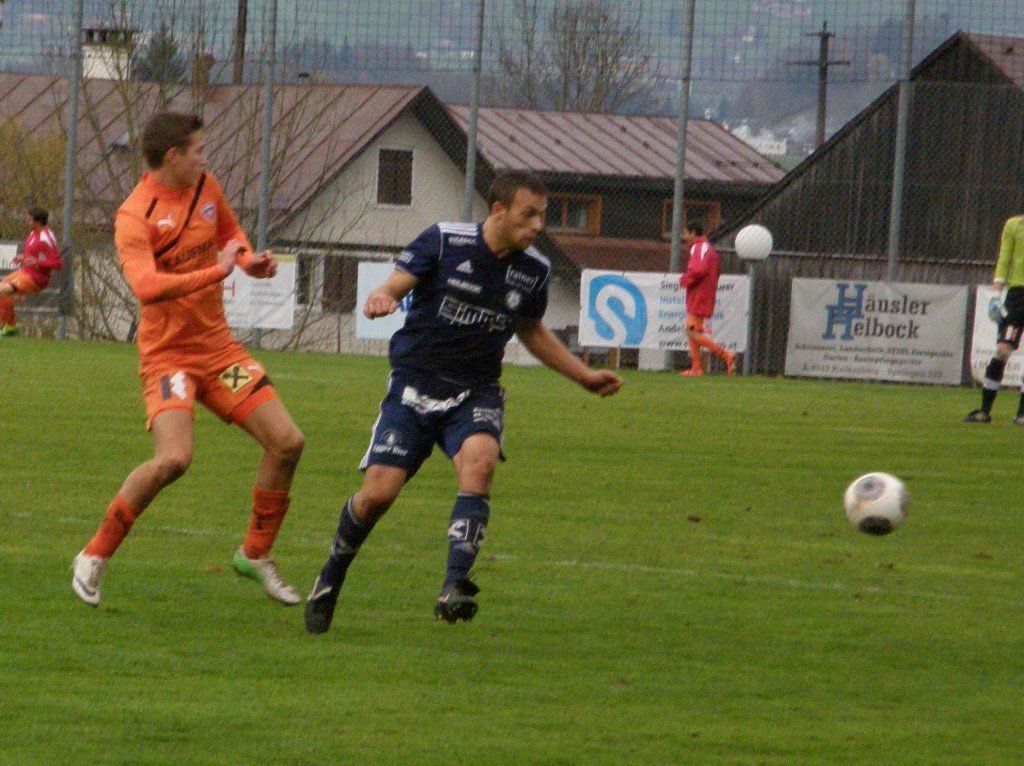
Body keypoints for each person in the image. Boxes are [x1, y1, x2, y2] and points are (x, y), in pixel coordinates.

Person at [304, 170, 623, 634]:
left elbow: (531, 331)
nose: (537, 226)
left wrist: (584, 376)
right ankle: (331, 575)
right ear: (498, 210)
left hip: (475, 391)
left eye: (542, 216)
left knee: (481, 464)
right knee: (377, 496)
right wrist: (381, 297)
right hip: (414, 387)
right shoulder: (444, 240)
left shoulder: (533, 271)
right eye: (528, 215)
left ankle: (454, 585)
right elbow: (395, 285)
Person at [71, 112, 305, 608]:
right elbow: (146, 287)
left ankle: (255, 554)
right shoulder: (134, 215)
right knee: (174, 460)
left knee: (287, 442)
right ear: (173, 156)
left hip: (219, 355)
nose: (205, 157)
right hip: (169, 360)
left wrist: (248, 261)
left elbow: (230, 234)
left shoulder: (205, 186)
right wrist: (217, 273)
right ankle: (93, 555)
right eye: (198, 149)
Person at [966, 214, 1024, 424]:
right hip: (1017, 296)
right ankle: (984, 412)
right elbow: (1004, 258)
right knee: (1002, 351)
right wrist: (996, 294)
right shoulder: (1014, 225)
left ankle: (1021, 414)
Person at [678, 222, 734, 377]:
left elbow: (699, 270)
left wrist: (685, 280)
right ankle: (696, 368)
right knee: (693, 330)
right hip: (705, 293)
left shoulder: (699, 247)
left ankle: (725, 355)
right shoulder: (709, 249)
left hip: (700, 294)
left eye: (686, 233)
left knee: (690, 331)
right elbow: (716, 271)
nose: (684, 237)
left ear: (693, 233)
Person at [0, 207, 63, 336]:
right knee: (2, 291)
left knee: (2, 291)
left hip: (37, 279)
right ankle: (10, 326)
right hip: (24, 272)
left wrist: (37, 261)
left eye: (29, 220)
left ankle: (10, 325)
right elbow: (35, 255)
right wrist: (23, 258)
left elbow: (58, 264)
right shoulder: (33, 233)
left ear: (38, 222)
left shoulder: (46, 239)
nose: (27, 222)